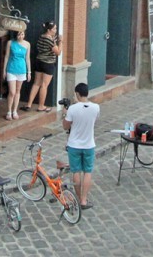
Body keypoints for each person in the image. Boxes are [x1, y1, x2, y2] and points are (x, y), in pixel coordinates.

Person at [63, 82, 99, 210]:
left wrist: (65, 114)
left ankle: (78, 198)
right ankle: (84, 200)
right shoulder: (96, 107)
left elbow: (65, 126)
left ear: (77, 94)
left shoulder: (72, 109)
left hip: (74, 145)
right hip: (89, 144)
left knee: (76, 171)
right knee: (87, 172)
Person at [23, 21, 61, 112]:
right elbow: (58, 52)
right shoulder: (50, 40)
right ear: (49, 30)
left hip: (39, 61)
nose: (56, 30)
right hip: (48, 63)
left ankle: (29, 104)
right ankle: (41, 106)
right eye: (54, 29)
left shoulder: (41, 37)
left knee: (36, 83)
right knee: (44, 85)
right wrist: (61, 41)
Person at [1, 30, 31, 121]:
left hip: (21, 69)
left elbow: (27, 58)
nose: (21, 36)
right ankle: (9, 111)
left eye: (22, 34)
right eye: (19, 34)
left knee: (18, 91)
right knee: (12, 92)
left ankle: (15, 110)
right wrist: (4, 70)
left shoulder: (27, 44)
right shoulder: (10, 43)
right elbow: (6, 56)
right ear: (16, 35)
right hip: (11, 69)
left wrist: (29, 72)